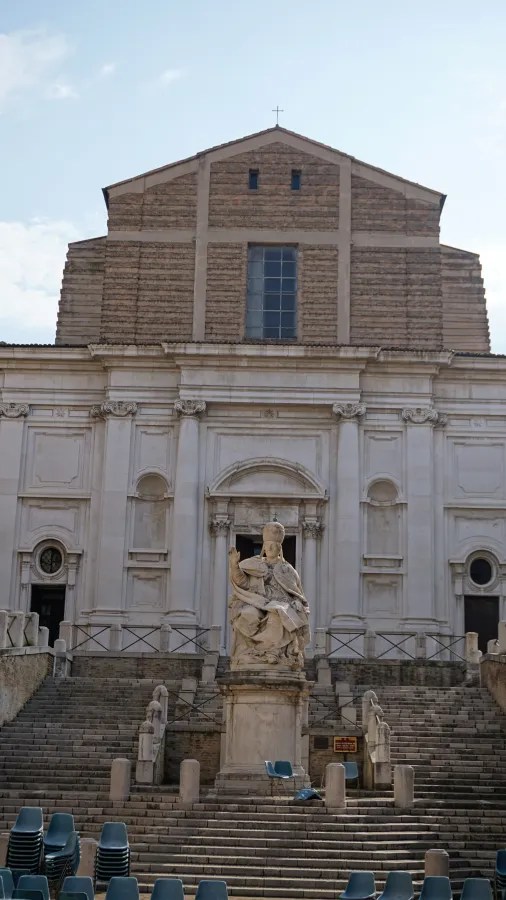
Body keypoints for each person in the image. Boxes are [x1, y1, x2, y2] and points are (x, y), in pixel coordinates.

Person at [228, 521, 310, 670]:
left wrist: (297, 602)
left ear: (280, 548)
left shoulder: (287, 569)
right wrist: (234, 565)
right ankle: (249, 653)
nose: (271, 548)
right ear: (264, 547)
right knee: (247, 615)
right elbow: (242, 582)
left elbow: (297, 592)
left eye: (274, 546)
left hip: (281, 603)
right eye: (268, 545)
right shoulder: (254, 564)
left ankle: (272, 652)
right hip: (256, 601)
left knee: (278, 614)